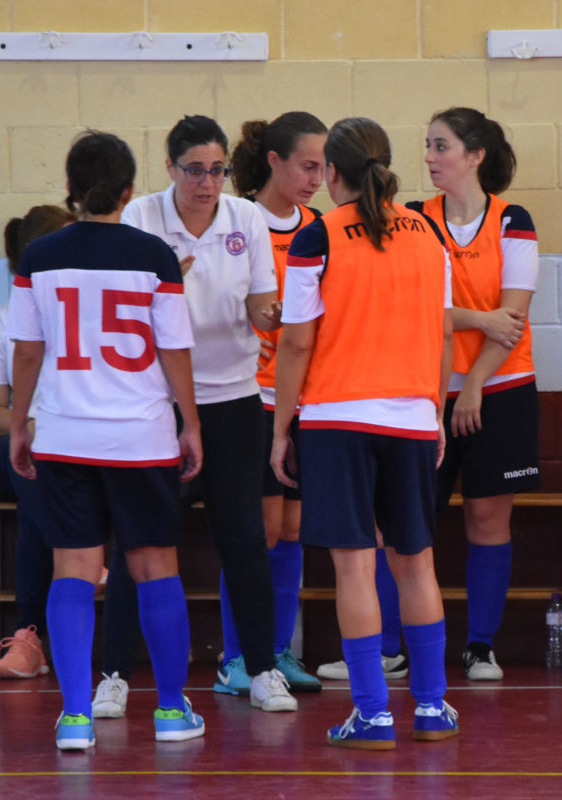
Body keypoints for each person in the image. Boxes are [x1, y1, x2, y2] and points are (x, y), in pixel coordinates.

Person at [6, 130, 205, 750]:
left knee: (73, 568)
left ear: (69, 190)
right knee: (154, 567)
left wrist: (19, 423)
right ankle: (171, 711)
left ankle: (74, 716)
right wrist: (190, 420)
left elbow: (28, 349)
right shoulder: (156, 256)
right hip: (140, 436)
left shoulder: (36, 256)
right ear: (128, 189)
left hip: (65, 434)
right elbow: (173, 348)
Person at [270, 116, 458, 749]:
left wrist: (281, 428)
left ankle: (373, 714)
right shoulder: (430, 234)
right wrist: (432, 412)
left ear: (332, 173)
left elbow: (296, 342)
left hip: (337, 420)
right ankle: (431, 707)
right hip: (410, 417)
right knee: (416, 563)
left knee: (355, 570)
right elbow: (442, 332)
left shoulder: (317, 236)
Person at [122, 115, 296, 712]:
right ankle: (114, 674)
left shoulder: (246, 217)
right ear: (169, 168)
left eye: (217, 170)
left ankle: (260, 669)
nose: (206, 182)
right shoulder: (140, 218)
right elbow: (124, 312)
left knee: (246, 538)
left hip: (234, 398)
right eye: (194, 170)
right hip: (158, 402)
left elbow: (260, 306)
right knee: (142, 539)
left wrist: (283, 316)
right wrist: (165, 283)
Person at [406, 107, 534, 682]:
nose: (430, 157)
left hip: (498, 388)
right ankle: (397, 647)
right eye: (428, 146)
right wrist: (476, 316)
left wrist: (475, 382)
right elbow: (417, 310)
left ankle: (480, 645)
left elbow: (513, 319)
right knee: (409, 524)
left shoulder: (513, 220)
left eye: (441, 146)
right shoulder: (411, 219)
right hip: (423, 392)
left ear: (475, 155)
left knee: (487, 520)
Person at [228, 110, 328, 693]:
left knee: (292, 530)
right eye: (306, 165)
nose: (317, 177)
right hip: (252, 395)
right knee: (257, 531)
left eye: (323, 167)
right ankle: (240, 657)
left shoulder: (321, 225)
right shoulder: (239, 222)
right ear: (274, 161)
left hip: (308, 399)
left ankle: (276, 653)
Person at [0, 204, 73, 679]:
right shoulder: (1, 321)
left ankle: (29, 637)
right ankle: (72, 551)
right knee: (29, 467)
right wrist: (30, 429)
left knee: (45, 480)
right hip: (19, 447)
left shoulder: (85, 315)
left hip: (70, 450)